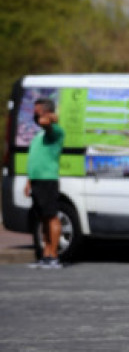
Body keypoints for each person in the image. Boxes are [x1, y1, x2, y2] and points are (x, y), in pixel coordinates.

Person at [24, 98, 65, 270]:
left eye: (37, 111)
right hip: (37, 181)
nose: (34, 114)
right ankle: (46, 254)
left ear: (46, 112)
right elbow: (35, 160)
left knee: (52, 217)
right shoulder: (38, 135)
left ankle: (54, 256)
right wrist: (29, 181)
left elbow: (48, 124)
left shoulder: (55, 131)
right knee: (43, 218)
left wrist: (49, 118)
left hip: (48, 180)